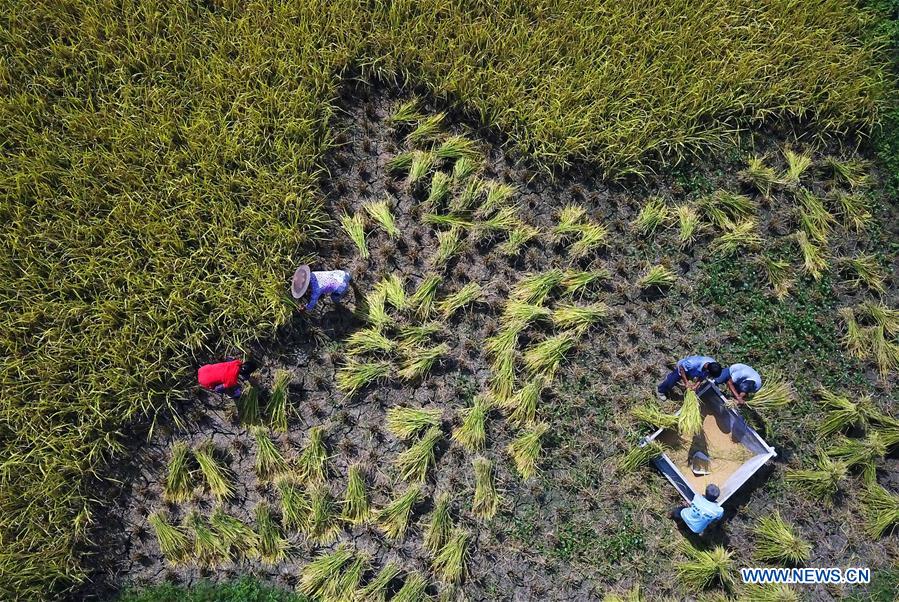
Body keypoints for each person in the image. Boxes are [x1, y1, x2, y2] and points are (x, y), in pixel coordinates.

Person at [657, 355, 723, 401]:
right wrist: (686, 383)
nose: (709, 376)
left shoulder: (712, 364)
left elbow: (703, 376)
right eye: (709, 375)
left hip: (693, 371)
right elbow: (682, 368)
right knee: (671, 380)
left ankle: (682, 381)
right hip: (683, 368)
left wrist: (696, 385)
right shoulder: (692, 363)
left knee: (688, 381)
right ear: (708, 370)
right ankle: (660, 390)